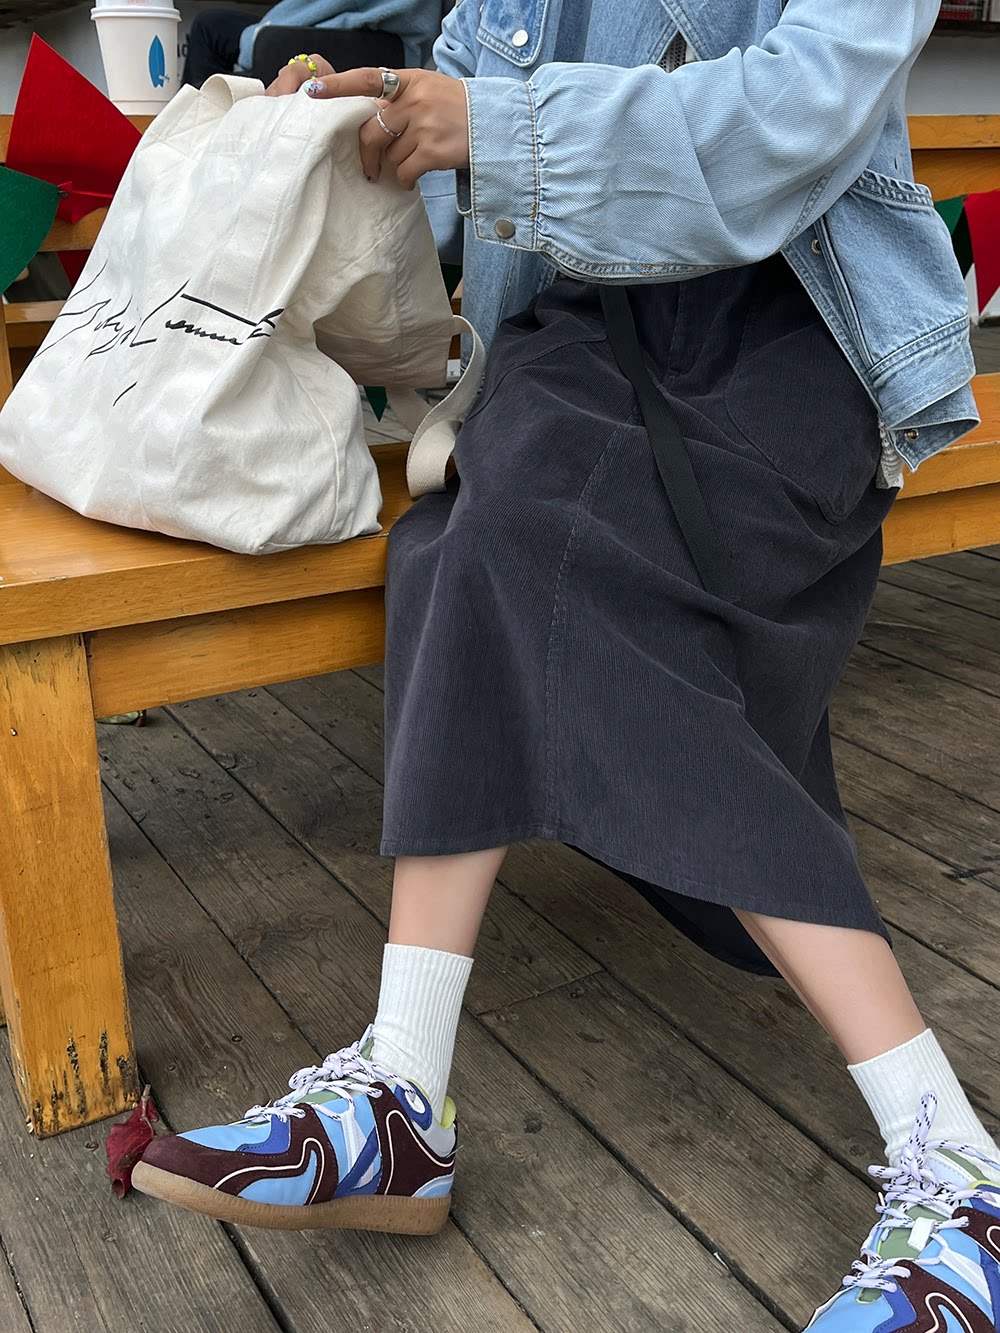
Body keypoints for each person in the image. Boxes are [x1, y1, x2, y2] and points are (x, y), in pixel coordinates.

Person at [133, 4, 1000, 1329]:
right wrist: (375, 126)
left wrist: (489, 124)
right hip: (572, 328)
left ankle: (958, 1165)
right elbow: (464, 137)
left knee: (549, 564)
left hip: (792, 329)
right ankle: (400, 1088)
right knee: (465, 547)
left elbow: (803, 110)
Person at [180, 0, 442, 88]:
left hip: (321, 40)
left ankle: (191, 138)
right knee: (213, 23)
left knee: (207, 27)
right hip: (401, 46)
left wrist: (257, 35)